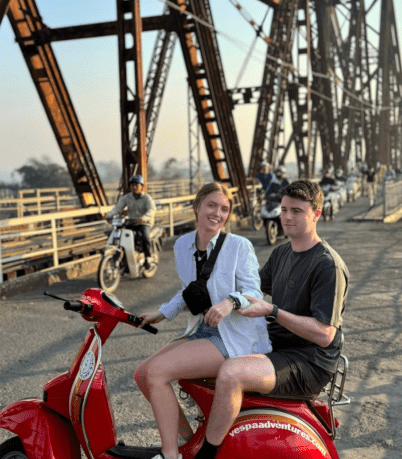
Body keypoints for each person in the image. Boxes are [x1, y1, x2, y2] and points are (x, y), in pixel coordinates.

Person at [193, 180, 349, 459]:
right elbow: (249, 289)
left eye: (297, 211)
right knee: (192, 358)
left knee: (231, 372)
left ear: (317, 214)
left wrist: (273, 311)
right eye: (284, 209)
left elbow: (325, 334)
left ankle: (207, 454)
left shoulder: (327, 265)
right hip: (277, 345)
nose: (287, 217)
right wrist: (219, 298)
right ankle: (190, 442)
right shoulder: (282, 252)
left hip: (308, 359)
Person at [135, 182, 272, 459]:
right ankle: (190, 439)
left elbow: (253, 293)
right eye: (211, 205)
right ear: (197, 206)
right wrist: (161, 313)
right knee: (142, 375)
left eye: (224, 209)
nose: (217, 213)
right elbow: (190, 289)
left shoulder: (238, 246)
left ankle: (170, 455)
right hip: (204, 330)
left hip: (235, 336)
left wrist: (229, 302)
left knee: (157, 372)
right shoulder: (183, 245)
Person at [104, 174, 156, 262]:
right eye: (132, 185)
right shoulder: (126, 198)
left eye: (137, 185)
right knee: (121, 236)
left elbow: (152, 209)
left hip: (144, 222)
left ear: (142, 187)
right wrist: (108, 215)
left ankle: (148, 257)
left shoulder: (147, 198)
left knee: (145, 237)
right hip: (132, 222)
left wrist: (144, 217)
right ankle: (126, 258)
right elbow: (117, 208)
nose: (134, 187)